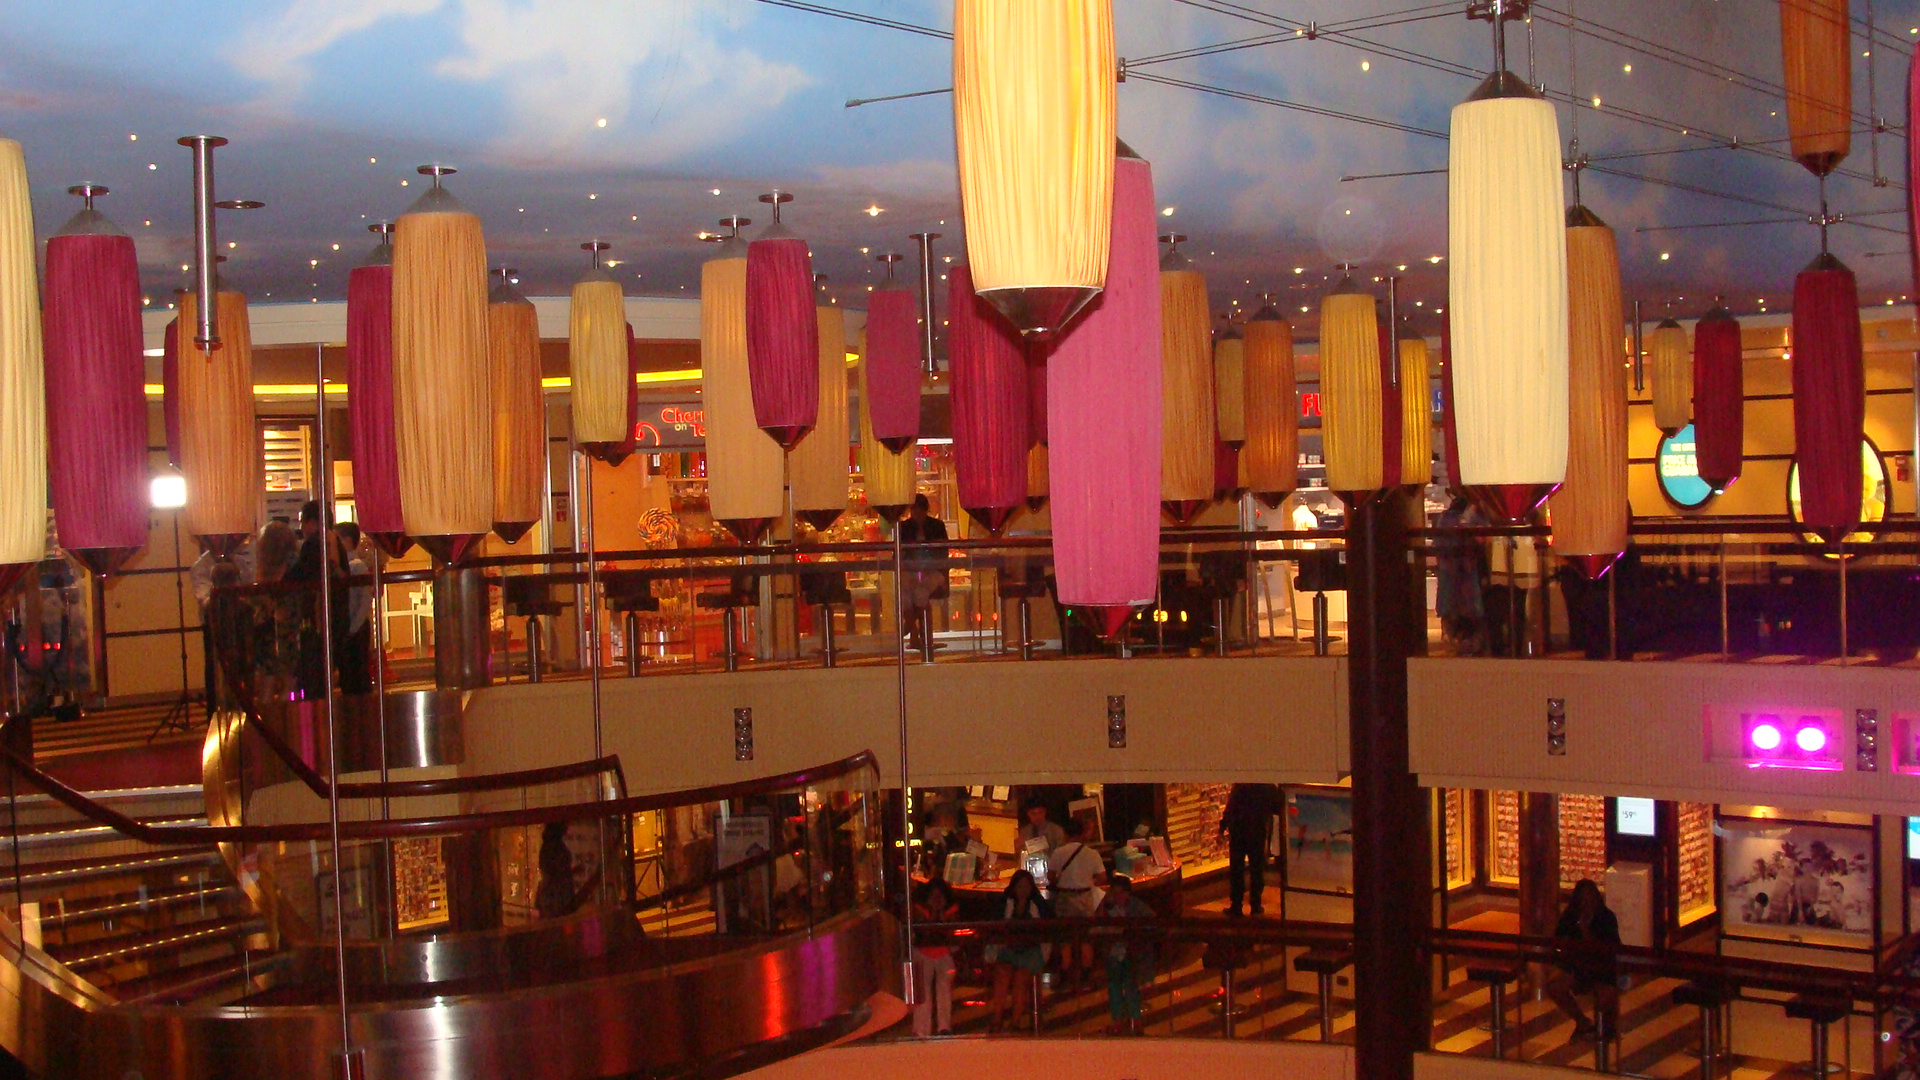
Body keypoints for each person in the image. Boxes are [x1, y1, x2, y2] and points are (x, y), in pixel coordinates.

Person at [1545, 879, 1622, 1041]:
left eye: (1590, 898)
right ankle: (1582, 1022)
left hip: (1602, 969)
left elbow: (1610, 948)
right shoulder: (1570, 916)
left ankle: (1607, 1030)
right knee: (1555, 987)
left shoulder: (1606, 918)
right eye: (1583, 899)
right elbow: (1558, 939)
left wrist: (1586, 932)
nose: (1587, 903)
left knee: (1605, 997)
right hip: (1577, 968)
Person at [986, 869, 1049, 1034]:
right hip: (1009, 949)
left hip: (1032, 951)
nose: (1023, 890)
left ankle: (1015, 1021)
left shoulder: (1037, 905)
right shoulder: (1005, 904)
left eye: (1026, 886)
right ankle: (997, 1018)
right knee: (1002, 973)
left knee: (1021, 978)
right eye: (1020, 886)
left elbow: (1047, 927)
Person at [1096, 874, 1156, 1035]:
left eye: (1121, 893)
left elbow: (1152, 922)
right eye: (1115, 893)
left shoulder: (1137, 907)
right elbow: (1099, 925)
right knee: (1115, 985)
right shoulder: (1108, 907)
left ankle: (1135, 1020)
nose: (1118, 897)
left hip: (1131, 952)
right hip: (1114, 952)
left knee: (1130, 985)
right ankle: (1118, 1019)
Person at [1048, 817, 1104, 987]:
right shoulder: (1092, 854)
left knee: (1065, 937)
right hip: (1084, 898)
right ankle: (1087, 972)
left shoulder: (1058, 853)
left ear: (1065, 833)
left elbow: (1051, 876)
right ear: (1082, 833)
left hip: (1065, 898)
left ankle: (1065, 970)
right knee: (1086, 936)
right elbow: (1102, 877)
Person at [896, 493, 949, 653]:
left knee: (919, 592)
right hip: (911, 571)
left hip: (932, 570)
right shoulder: (904, 527)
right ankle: (919, 634)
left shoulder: (937, 526)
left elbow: (943, 551)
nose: (916, 514)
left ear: (925, 510)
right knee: (906, 590)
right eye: (914, 510)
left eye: (918, 510)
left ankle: (913, 630)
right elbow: (898, 553)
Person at [1221, 783, 1279, 917]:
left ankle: (1236, 905)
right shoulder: (1267, 786)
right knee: (1257, 869)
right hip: (1257, 831)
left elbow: (1232, 806)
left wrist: (1224, 824)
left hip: (1238, 830)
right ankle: (1255, 905)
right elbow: (1277, 806)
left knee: (1237, 870)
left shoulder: (1241, 784)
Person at [911, 878, 960, 1036]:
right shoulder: (918, 909)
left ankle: (944, 1027)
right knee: (923, 992)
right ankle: (921, 1028)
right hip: (923, 952)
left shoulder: (951, 910)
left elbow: (950, 931)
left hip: (943, 953)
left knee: (944, 991)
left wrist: (941, 915)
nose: (937, 898)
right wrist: (934, 914)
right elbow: (922, 930)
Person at [333, 523, 373, 693]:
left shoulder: (356, 566)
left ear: (346, 541)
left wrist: (353, 627)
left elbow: (364, 600)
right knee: (348, 676)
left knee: (357, 675)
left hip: (356, 627)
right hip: (349, 626)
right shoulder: (344, 567)